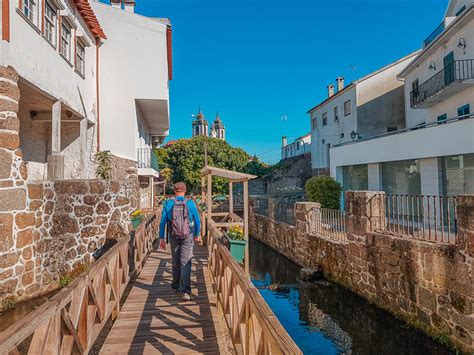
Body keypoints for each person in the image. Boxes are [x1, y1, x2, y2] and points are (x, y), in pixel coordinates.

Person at [159, 182, 200, 301]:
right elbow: (197, 220)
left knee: (176, 260)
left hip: (174, 235)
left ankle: (176, 286)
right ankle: (185, 291)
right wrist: (197, 234)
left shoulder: (169, 203)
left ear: (174, 191)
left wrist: (161, 238)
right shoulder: (190, 203)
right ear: (185, 190)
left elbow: (162, 222)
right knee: (185, 262)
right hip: (188, 235)